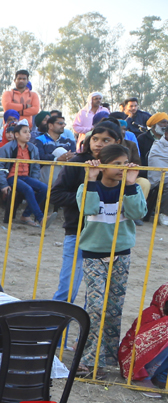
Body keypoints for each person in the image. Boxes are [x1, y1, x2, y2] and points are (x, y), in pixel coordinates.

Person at [75, 144, 146, 377]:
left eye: (125, 163)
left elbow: (138, 214)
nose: (122, 168)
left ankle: (106, 357)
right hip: (94, 254)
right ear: (103, 165)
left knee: (114, 309)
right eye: (116, 164)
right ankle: (89, 359)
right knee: (96, 307)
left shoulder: (132, 188)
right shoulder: (87, 187)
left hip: (121, 253)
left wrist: (131, 184)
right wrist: (91, 180)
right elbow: (88, 208)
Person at [49, 121, 126, 303]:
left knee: (97, 292)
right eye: (95, 139)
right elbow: (56, 194)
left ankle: (89, 322)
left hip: (106, 234)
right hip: (78, 229)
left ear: (117, 142)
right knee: (67, 286)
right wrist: (85, 200)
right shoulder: (77, 163)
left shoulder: (121, 168)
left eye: (106, 140)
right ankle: (57, 320)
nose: (99, 144)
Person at [0, 122, 48, 227]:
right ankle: (41, 218)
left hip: (26, 177)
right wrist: (3, 184)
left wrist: (35, 180)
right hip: (11, 177)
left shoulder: (33, 148)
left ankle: (26, 215)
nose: (28, 134)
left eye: (29, 132)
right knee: (28, 189)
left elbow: (36, 168)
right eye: (25, 132)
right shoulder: (6, 148)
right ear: (17, 135)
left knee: (44, 188)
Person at [118, 284, 168, 389]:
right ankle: (145, 378)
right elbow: (139, 343)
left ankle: (162, 377)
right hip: (135, 363)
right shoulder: (150, 313)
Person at [147, 116, 168, 227]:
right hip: (160, 180)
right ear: (167, 134)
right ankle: (164, 214)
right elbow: (159, 171)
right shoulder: (157, 147)